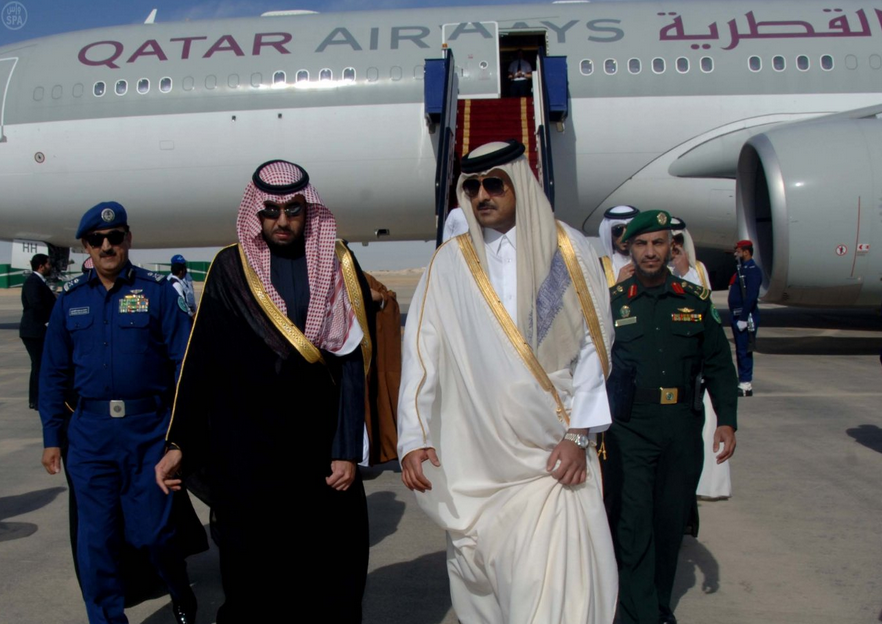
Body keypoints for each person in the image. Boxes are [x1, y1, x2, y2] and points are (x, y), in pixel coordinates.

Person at [398, 140, 617, 624]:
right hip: (476, 461)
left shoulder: (566, 249)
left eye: (493, 183)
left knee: (555, 592)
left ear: (519, 184)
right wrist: (414, 437)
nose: (482, 196)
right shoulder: (450, 263)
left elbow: (593, 351)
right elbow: (421, 354)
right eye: (471, 186)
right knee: (480, 592)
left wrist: (579, 436)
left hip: (550, 458)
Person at [154, 160, 372, 622]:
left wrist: (347, 447)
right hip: (248, 457)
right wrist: (179, 443)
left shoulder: (337, 262)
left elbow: (352, 364)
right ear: (256, 214)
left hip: (320, 452)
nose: (283, 221)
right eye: (271, 212)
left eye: (294, 210)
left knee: (330, 575)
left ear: (308, 210)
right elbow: (200, 364)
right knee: (253, 579)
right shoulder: (230, 268)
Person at [39, 202, 197, 624]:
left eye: (115, 237)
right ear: (86, 248)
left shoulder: (157, 293)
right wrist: (52, 437)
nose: (106, 246)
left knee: (154, 534)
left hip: (148, 434)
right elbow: (52, 374)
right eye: (96, 240)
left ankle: (179, 586)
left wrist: (180, 436)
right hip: (89, 437)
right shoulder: (69, 302)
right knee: (97, 543)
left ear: (128, 239)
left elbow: (185, 366)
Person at [603, 210, 738, 624]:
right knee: (632, 520)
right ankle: (636, 611)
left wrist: (728, 421)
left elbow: (718, 364)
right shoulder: (612, 303)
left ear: (670, 247)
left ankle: (657, 605)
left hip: (681, 425)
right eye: (641, 244)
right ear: (629, 248)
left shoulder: (694, 301)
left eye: (658, 243)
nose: (650, 252)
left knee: (669, 520)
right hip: (630, 427)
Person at [669, 222, 732, 499]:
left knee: (708, 427)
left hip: (698, 365)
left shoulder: (698, 270)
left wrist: (683, 269)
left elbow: (699, 304)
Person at [20, 253, 56, 409]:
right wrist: (48, 322)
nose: (50, 267)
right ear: (41, 266)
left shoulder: (38, 282)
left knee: (40, 364)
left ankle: (37, 398)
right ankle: (35, 400)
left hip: (36, 330)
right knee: (38, 365)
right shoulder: (33, 282)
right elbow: (36, 305)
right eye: (48, 264)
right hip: (34, 331)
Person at [728, 239, 760, 396]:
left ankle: (746, 383)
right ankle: (742, 380)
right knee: (740, 350)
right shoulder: (741, 269)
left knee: (744, 350)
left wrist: (744, 316)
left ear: (746, 252)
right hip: (737, 315)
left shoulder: (752, 270)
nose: (736, 253)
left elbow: (751, 296)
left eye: (738, 250)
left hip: (745, 317)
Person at [598, 204, 639, 287]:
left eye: (630, 229)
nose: (625, 237)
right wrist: (619, 285)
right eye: (618, 230)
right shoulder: (600, 266)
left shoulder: (649, 262)